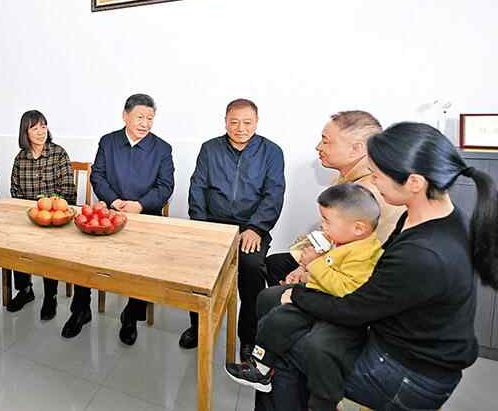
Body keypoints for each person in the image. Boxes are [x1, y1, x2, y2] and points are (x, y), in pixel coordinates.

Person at [257, 122, 498, 411]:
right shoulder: (425, 215)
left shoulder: (424, 253)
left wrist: (298, 294)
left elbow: (354, 310)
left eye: (377, 175)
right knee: (275, 305)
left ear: (414, 183)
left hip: (406, 373)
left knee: (283, 342)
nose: (372, 181)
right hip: (393, 335)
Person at [226, 184, 382, 411]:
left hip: (329, 305)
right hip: (315, 295)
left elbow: (343, 288)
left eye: (327, 221)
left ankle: (313, 397)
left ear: (358, 228)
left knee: (293, 329)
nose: (322, 225)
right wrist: (304, 269)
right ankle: (261, 367)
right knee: (276, 318)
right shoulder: (344, 240)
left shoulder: (364, 255)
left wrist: (314, 264)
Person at [64, 94, 174, 343]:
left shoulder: (162, 149)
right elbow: (98, 176)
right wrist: (113, 201)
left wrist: (140, 205)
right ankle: (81, 310)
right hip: (110, 212)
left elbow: (165, 186)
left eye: (150, 118)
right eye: (140, 117)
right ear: (125, 116)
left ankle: (131, 316)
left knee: (145, 263)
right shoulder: (109, 141)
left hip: (145, 216)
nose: (145, 123)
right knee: (83, 254)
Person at [181, 98, 285, 360]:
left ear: (256, 122)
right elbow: (197, 188)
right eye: (234, 122)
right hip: (212, 224)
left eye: (247, 122)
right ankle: (198, 327)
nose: (240, 128)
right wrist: (201, 226)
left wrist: (256, 228)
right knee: (197, 268)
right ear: (225, 122)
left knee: (251, 269)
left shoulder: (271, 152)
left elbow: (273, 194)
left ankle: (248, 338)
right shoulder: (210, 149)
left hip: (250, 228)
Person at [265, 110, 402, 287]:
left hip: (356, 275)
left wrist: (305, 271)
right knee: (276, 263)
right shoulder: (352, 178)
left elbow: (342, 252)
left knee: (276, 270)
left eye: (326, 141)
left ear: (356, 149)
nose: (318, 147)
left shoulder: (365, 192)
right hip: (337, 258)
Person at [7, 110, 76, 321]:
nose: (40, 132)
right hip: (30, 217)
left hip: (55, 218)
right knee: (15, 242)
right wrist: (32, 214)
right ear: (25, 132)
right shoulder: (20, 158)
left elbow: (68, 191)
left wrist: (49, 213)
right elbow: (15, 191)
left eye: (43, 127)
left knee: (48, 248)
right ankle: (25, 290)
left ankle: (50, 296)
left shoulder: (58, 153)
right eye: (34, 128)